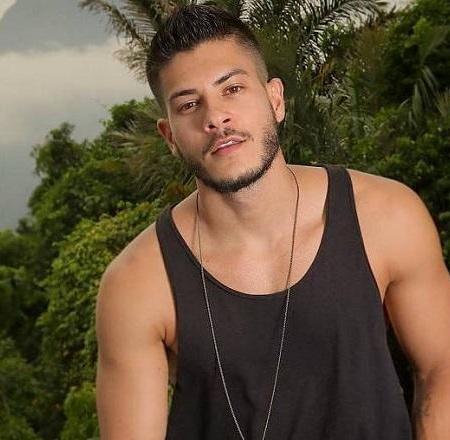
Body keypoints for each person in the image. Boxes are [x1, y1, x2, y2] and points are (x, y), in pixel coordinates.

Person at [95, 5, 450, 440]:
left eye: (233, 89)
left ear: (275, 99)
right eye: (189, 104)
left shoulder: (387, 216)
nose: (215, 118)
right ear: (170, 136)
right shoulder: (136, 285)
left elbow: (442, 367)